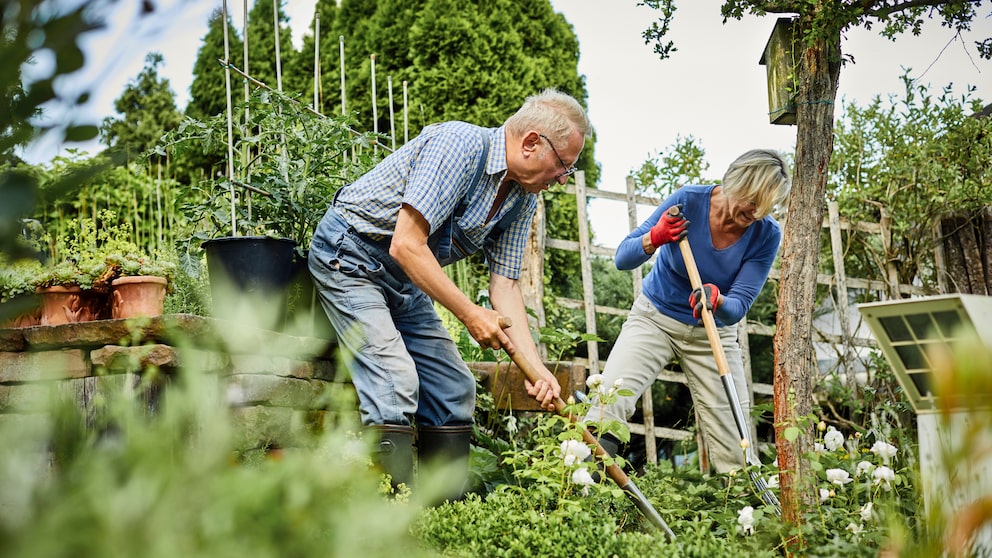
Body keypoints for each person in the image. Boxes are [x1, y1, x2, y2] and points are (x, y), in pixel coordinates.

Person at [308, 88, 591, 499]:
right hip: (351, 256)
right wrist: (470, 314)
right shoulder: (459, 145)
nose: (562, 179)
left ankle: (446, 522)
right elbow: (406, 243)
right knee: (394, 382)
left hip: (403, 278)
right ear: (532, 143)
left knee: (454, 389)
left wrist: (537, 369)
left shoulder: (522, 197)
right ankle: (391, 526)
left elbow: (506, 286)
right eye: (563, 166)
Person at [585, 149, 791, 474]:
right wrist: (655, 237)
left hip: (712, 334)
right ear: (735, 182)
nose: (755, 212)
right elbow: (623, 258)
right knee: (608, 398)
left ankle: (742, 512)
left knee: (735, 435)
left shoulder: (766, 234)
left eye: (765, 206)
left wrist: (718, 299)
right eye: (752, 201)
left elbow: (737, 307)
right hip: (656, 318)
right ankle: (582, 487)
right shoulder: (688, 202)